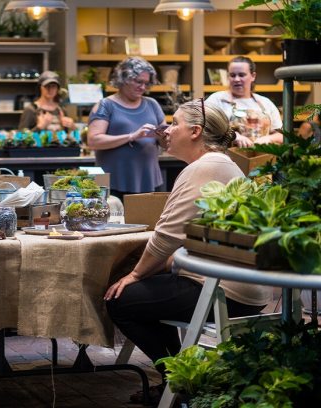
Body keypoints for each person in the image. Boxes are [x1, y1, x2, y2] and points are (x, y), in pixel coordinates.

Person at [104, 100, 272, 404]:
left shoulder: (204, 168)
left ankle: (182, 380)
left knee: (120, 300)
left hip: (222, 291)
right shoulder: (223, 164)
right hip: (241, 286)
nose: (167, 130)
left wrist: (135, 274)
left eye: (174, 123)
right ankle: (180, 379)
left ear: (195, 131)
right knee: (141, 290)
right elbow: (183, 236)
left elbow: (166, 236)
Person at [87, 56, 167, 201]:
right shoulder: (106, 105)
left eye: (146, 83)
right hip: (114, 183)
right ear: (123, 78)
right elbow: (93, 140)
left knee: (151, 222)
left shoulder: (152, 104)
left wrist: (163, 136)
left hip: (149, 180)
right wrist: (132, 136)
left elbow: (165, 141)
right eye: (138, 81)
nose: (143, 87)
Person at [206, 56, 283, 147]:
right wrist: (233, 136)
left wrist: (268, 138)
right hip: (226, 158)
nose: (237, 79)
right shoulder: (216, 100)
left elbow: (281, 135)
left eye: (241, 75)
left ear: (253, 76)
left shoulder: (265, 103)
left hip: (262, 158)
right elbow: (205, 128)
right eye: (232, 75)